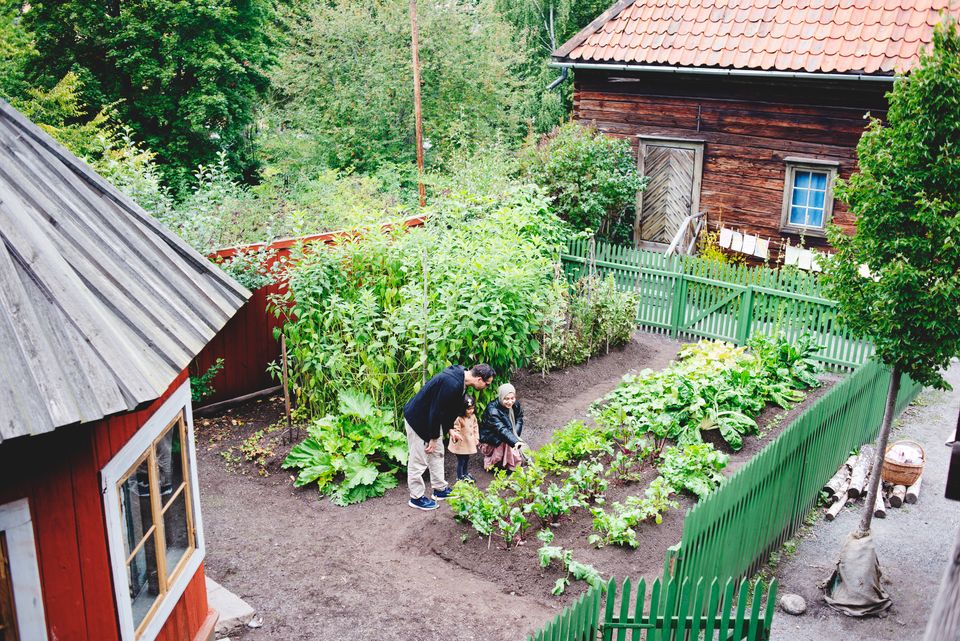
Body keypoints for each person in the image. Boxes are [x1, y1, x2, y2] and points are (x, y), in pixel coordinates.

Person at [403, 363, 495, 510]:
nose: (487, 387)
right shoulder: (452, 384)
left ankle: (440, 490)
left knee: (438, 453)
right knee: (419, 460)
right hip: (418, 419)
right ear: (478, 379)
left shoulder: (462, 378)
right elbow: (435, 410)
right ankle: (416, 497)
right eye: (487, 384)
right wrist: (432, 438)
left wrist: (449, 429)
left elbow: (446, 409)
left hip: (432, 420)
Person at [479, 383, 527, 472]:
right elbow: (501, 429)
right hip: (491, 438)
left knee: (509, 440)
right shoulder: (492, 410)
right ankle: (492, 463)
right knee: (505, 441)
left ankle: (508, 462)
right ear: (501, 397)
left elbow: (519, 418)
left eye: (512, 398)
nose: (510, 402)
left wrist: (514, 435)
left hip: (505, 433)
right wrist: (515, 441)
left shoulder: (515, 405)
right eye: (506, 399)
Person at [449, 394, 479, 482]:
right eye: (468, 409)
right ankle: (459, 477)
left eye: (472, 408)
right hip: (461, 444)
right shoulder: (459, 419)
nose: (471, 411)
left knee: (466, 459)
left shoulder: (473, 417)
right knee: (461, 461)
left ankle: (465, 473)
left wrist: (476, 437)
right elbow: (455, 429)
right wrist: (456, 435)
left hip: (468, 443)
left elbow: (475, 427)